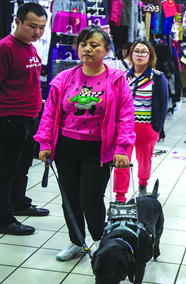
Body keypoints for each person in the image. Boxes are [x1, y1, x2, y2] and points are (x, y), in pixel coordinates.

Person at [34, 25, 135, 261]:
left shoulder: (116, 80)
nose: (87, 49)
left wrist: (122, 149)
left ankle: (100, 240)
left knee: (90, 196)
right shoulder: (64, 77)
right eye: (83, 44)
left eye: (94, 45)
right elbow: (49, 112)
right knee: (69, 197)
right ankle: (76, 241)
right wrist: (45, 143)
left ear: (107, 50)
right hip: (66, 146)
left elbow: (126, 116)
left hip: (98, 149)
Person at [0, 3, 49, 236]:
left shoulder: (29, 46)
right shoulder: (4, 49)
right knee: (3, 169)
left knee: (22, 166)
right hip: (10, 117)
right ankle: (1, 218)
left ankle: (19, 203)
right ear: (17, 21)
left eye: (42, 27)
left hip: (30, 117)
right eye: (32, 26)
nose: (38, 32)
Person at [113, 40, 169, 201]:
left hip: (147, 126)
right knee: (122, 159)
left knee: (145, 159)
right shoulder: (123, 76)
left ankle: (143, 185)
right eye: (136, 51)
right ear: (130, 54)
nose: (139, 55)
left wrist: (157, 127)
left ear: (150, 55)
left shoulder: (157, 77)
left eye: (144, 52)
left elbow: (163, 103)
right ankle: (120, 195)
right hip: (125, 127)